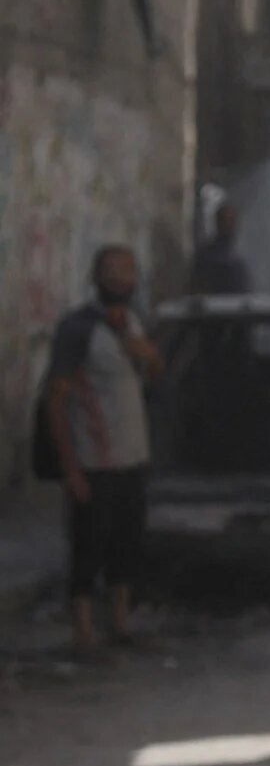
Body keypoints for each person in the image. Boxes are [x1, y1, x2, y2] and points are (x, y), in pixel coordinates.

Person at [46, 245, 164, 654]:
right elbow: (56, 400)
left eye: (126, 272)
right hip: (93, 461)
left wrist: (146, 354)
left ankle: (118, 625)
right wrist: (71, 470)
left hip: (132, 457)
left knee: (125, 546)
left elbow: (156, 373)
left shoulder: (134, 322)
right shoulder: (77, 329)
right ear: (97, 277)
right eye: (111, 272)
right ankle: (83, 633)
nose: (120, 279)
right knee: (87, 546)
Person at [187, 204, 250, 295]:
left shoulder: (238, 259)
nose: (228, 226)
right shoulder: (206, 257)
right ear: (217, 222)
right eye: (224, 221)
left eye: (231, 221)